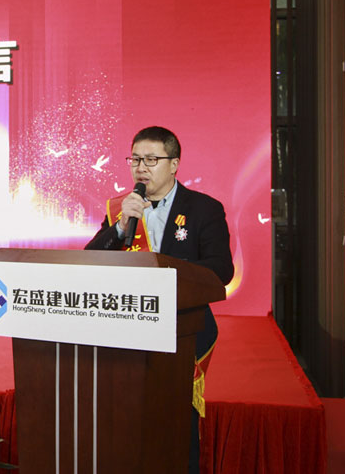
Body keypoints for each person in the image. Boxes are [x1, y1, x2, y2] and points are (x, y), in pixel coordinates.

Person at [85, 125, 234, 474]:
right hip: (127, 331)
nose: (141, 168)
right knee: (127, 421)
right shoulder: (122, 209)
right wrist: (121, 227)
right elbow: (90, 259)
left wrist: (164, 273)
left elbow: (221, 270)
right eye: (135, 159)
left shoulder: (204, 209)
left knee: (176, 425)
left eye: (151, 160)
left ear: (174, 164)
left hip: (182, 330)